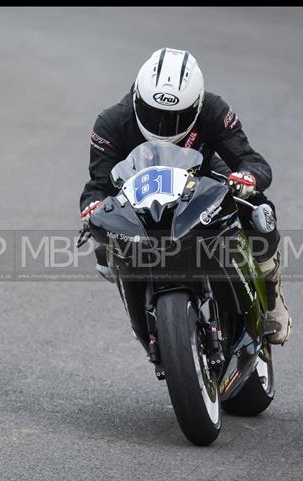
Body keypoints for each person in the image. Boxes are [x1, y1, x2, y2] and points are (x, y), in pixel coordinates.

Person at [79, 47, 291, 345]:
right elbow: (98, 185)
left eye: (177, 117)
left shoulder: (214, 110)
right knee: (104, 247)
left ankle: (271, 297)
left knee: (259, 212)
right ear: (138, 98)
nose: (164, 125)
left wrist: (247, 178)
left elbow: (252, 161)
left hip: (200, 179)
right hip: (140, 194)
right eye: (155, 114)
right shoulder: (111, 123)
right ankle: (145, 321)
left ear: (196, 106)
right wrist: (93, 206)